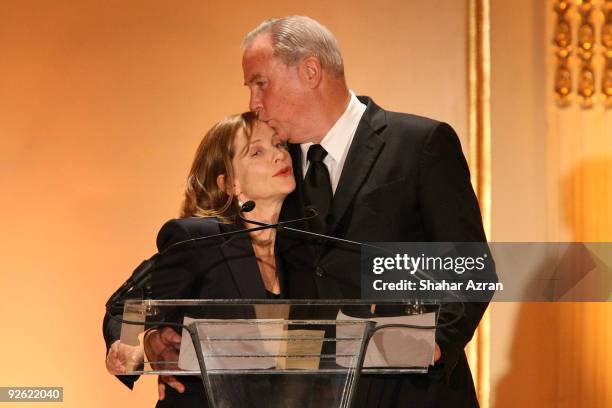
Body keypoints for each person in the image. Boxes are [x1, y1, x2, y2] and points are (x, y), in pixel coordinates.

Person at [241, 16, 492, 407]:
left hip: (415, 394)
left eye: (260, 83)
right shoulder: (274, 168)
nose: (254, 103)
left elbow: (469, 266)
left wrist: (432, 345)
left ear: (310, 71)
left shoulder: (420, 144)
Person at [103, 112, 296, 407]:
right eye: (257, 151)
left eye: (279, 145)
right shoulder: (200, 240)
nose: (278, 156)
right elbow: (129, 306)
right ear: (229, 183)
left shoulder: (302, 250)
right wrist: (130, 345)